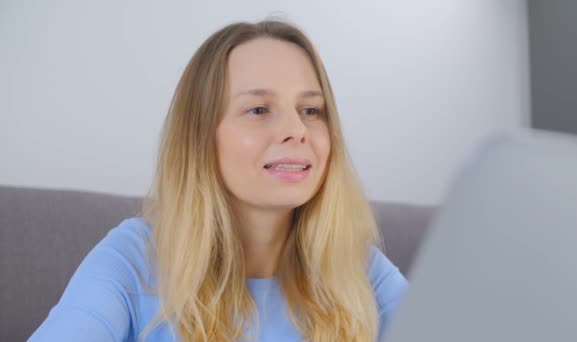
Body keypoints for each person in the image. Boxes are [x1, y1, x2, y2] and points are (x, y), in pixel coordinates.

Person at [29, 19, 407, 342]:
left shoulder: (358, 269)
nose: (297, 129)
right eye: (258, 109)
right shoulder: (133, 260)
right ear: (200, 137)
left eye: (311, 110)